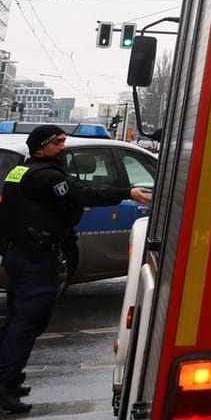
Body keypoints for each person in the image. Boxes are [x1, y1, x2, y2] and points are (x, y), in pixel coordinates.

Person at [0, 126, 151, 414]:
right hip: (36, 259)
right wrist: (127, 191)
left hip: (18, 256)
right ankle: (5, 384)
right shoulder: (47, 177)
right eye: (57, 142)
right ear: (41, 147)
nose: (62, 146)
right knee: (28, 321)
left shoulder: (18, 172)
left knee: (18, 318)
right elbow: (83, 193)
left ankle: (9, 376)